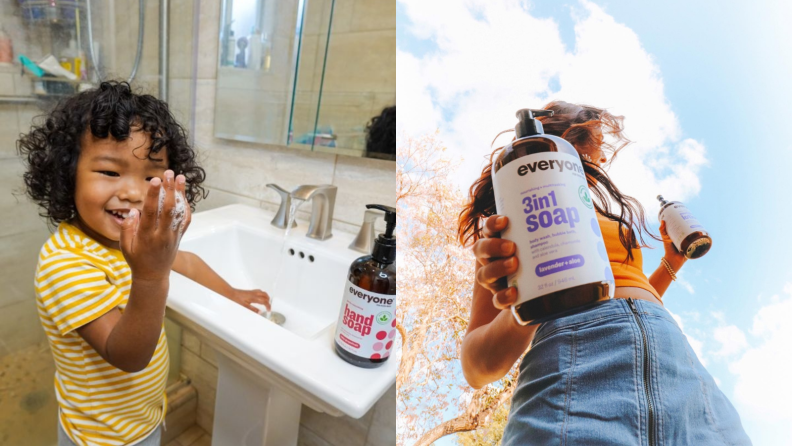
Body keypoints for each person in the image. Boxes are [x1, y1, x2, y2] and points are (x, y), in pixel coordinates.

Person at [457, 101, 752, 445]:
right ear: (569, 134)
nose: (600, 161)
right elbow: (476, 369)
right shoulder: (509, 221)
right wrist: (526, 306)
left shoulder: (600, 211)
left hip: (676, 362)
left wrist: (672, 262)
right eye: (594, 147)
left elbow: (629, 295)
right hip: (576, 365)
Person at [17, 81, 271, 446]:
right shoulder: (65, 262)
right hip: (102, 436)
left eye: (152, 176)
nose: (136, 192)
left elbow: (188, 262)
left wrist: (232, 293)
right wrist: (150, 274)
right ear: (67, 173)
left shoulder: (130, 242)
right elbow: (128, 354)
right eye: (109, 172)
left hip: (143, 420)